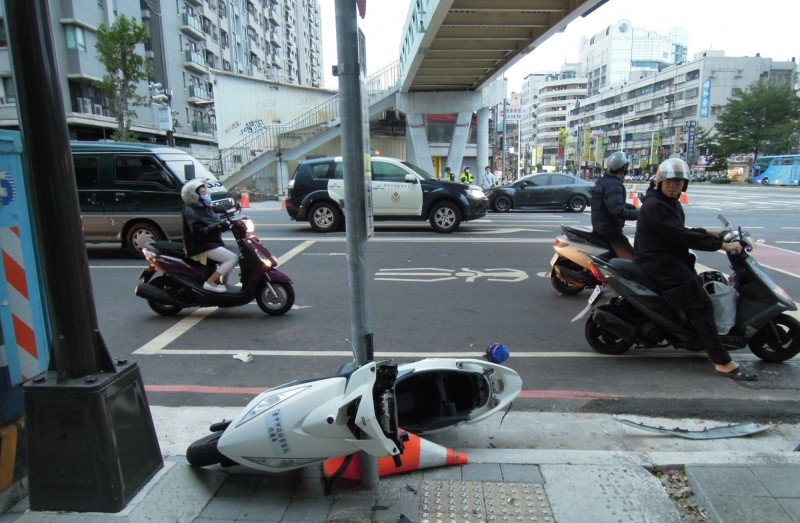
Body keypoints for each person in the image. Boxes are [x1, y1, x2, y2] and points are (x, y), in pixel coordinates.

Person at [634, 158, 755, 381]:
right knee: (702, 306)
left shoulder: (668, 203)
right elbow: (679, 235)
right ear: (659, 182)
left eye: (679, 182)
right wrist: (721, 245)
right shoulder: (655, 206)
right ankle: (722, 361)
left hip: (668, 259)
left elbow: (681, 230)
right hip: (660, 263)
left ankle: (695, 335)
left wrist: (713, 233)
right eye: (669, 182)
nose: (674, 186)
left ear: (685, 185)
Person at [181, 179, 238, 294]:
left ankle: (223, 285)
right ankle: (211, 282)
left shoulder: (204, 207)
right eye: (203, 193)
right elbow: (199, 233)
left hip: (211, 243)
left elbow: (213, 223)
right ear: (193, 196)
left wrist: (227, 224)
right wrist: (218, 226)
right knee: (233, 258)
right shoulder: (191, 211)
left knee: (227, 260)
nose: (207, 195)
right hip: (202, 247)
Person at [590, 151, 638, 259]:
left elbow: (612, 203)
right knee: (633, 262)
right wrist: (640, 214)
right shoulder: (614, 185)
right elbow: (617, 210)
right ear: (624, 168)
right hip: (610, 232)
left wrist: (634, 208)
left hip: (600, 229)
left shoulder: (603, 181)